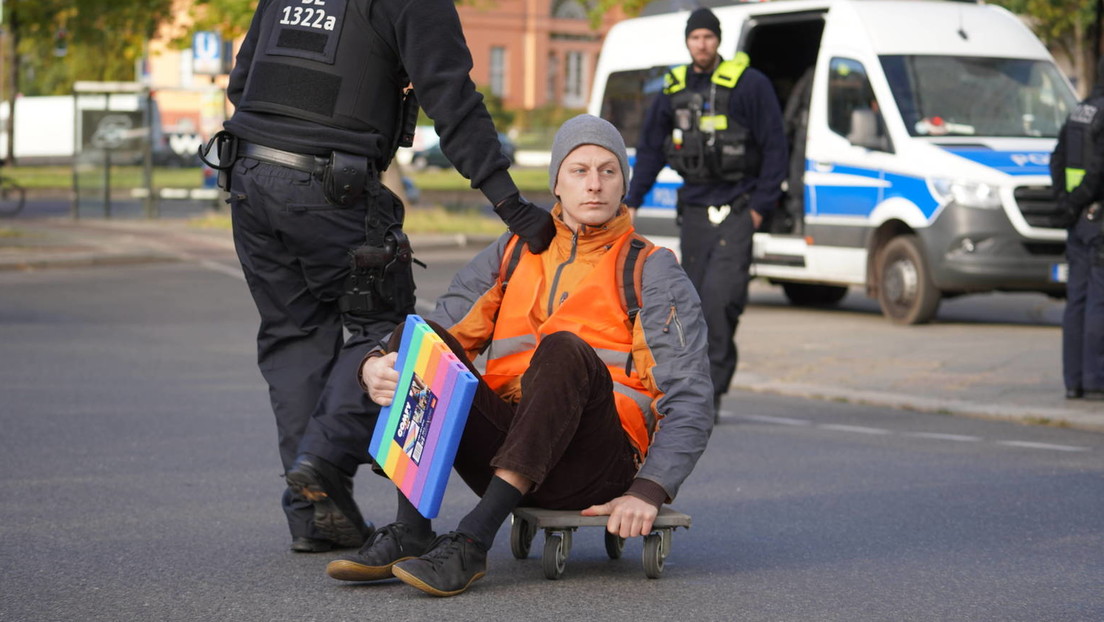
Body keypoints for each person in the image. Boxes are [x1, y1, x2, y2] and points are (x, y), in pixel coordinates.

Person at [204, 0, 556, 554]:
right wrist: (512, 206)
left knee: (293, 333)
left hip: (247, 174)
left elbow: (243, 81)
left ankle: (313, 514)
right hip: (328, 184)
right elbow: (453, 100)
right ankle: (322, 461)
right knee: (387, 336)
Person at [330, 114, 714, 596]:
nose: (594, 184)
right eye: (579, 171)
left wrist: (648, 489)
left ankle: (473, 539)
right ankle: (411, 529)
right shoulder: (513, 252)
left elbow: (691, 396)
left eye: (608, 171)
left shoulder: (650, 268)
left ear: (623, 184)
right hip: (510, 448)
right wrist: (373, 365)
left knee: (563, 349)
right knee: (423, 338)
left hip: (594, 466)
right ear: (556, 182)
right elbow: (438, 335)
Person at [624, 7, 787, 419]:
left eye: (709, 37)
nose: (702, 44)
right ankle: (695, 391)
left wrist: (759, 210)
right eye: (695, 37)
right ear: (687, 42)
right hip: (695, 209)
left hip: (738, 209)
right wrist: (631, 200)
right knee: (692, 304)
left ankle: (712, 391)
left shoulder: (750, 85)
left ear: (719, 41)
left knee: (722, 301)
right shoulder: (673, 89)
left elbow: (775, 148)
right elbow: (649, 149)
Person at [1050, 57, 1104, 402]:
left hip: (1078, 220)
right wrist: (1083, 199)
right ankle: (1096, 378)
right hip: (1099, 219)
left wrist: (1067, 202)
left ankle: (1074, 380)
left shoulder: (1079, 111)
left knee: (1077, 300)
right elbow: (1100, 170)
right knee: (1099, 301)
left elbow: (1055, 159)